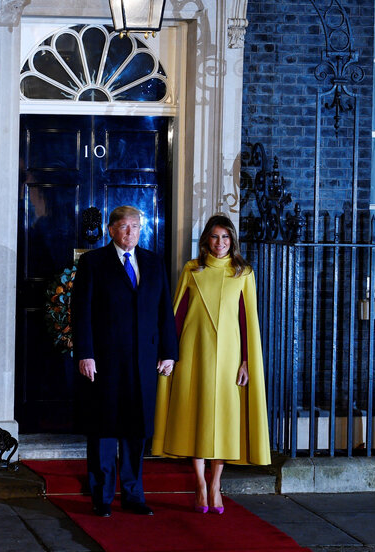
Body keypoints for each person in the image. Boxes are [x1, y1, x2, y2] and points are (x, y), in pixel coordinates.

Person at [151, 214, 270, 514]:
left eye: (226, 238)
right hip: (194, 353)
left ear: (233, 241)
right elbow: (177, 316)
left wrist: (246, 362)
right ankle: (200, 484)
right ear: (206, 240)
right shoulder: (193, 269)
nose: (220, 243)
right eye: (216, 237)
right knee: (198, 416)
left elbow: (248, 323)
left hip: (230, 358)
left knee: (223, 422)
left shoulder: (243, 273)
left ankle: (216, 483)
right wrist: (170, 354)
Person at [72, 205, 178, 517]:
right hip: (104, 362)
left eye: (135, 226)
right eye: (124, 227)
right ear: (111, 230)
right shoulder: (93, 263)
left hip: (144, 362)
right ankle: (102, 497)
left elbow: (164, 312)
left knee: (136, 430)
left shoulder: (153, 263)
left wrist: (169, 352)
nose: (130, 232)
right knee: (104, 430)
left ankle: (133, 495)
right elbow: (82, 313)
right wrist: (85, 354)